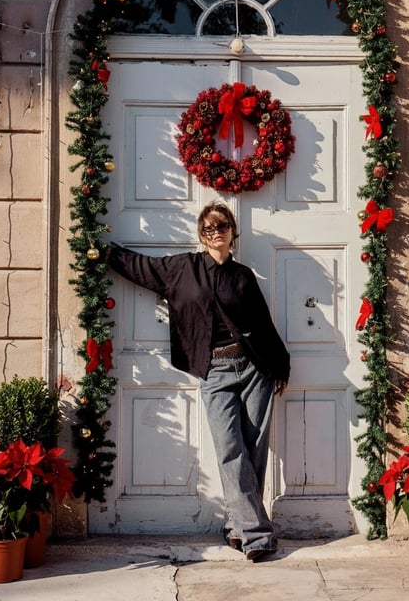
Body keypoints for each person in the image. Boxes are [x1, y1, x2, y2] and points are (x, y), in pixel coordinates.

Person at [106, 200, 290, 561]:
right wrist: (104, 253)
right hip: (215, 371)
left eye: (221, 226)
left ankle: (237, 527)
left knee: (253, 451)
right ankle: (257, 536)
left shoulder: (243, 277)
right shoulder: (182, 269)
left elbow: (264, 325)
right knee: (230, 450)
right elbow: (141, 267)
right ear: (200, 235)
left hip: (254, 369)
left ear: (233, 232)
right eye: (208, 228)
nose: (215, 232)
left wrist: (280, 366)